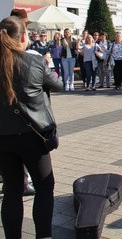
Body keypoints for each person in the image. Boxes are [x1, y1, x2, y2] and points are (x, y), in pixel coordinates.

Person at [0, 16, 63, 238]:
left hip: (3, 138)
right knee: (45, 187)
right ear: (24, 37)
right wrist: (46, 63)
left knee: (11, 190)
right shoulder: (34, 62)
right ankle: (43, 235)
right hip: (32, 136)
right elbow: (59, 85)